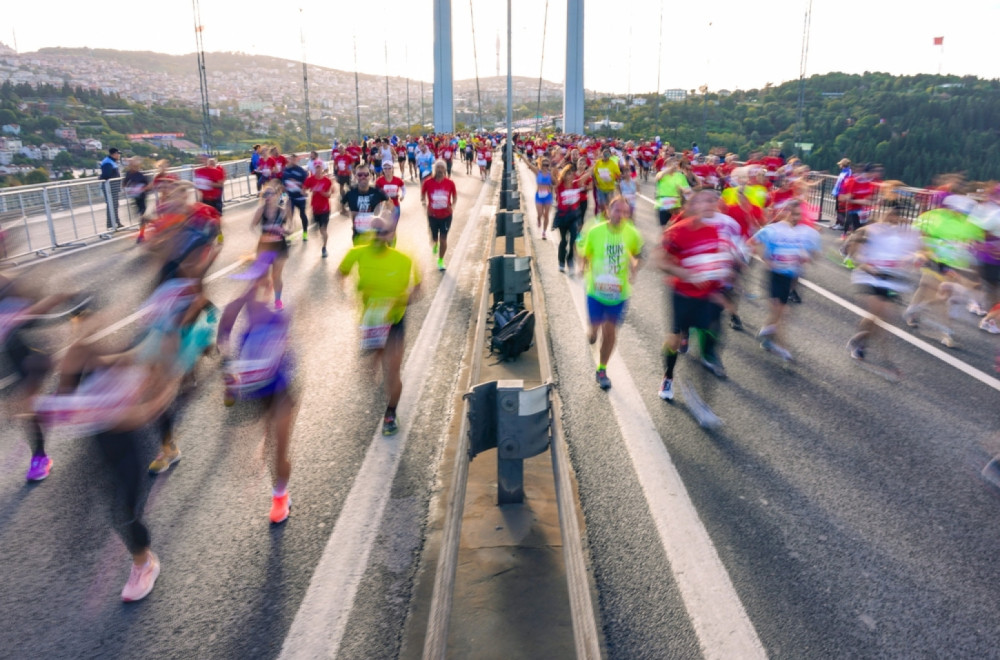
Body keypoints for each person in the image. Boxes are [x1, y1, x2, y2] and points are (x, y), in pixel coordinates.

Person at [217, 253, 296, 523]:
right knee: (267, 441)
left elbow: (290, 356)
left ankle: (280, 496)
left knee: (279, 445)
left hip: (280, 388)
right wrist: (229, 377)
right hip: (254, 391)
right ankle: (276, 478)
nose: (255, 286)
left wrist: (282, 350)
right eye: (251, 280)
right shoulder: (234, 311)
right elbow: (223, 345)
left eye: (260, 280)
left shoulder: (276, 313)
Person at [337, 217, 422, 436]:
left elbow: (419, 286)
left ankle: (391, 414)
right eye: (373, 231)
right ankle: (374, 357)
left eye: (382, 232)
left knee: (391, 372)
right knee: (372, 363)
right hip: (371, 320)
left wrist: (406, 299)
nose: (377, 236)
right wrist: (342, 292)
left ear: (391, 234)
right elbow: (341, 272)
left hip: (394, 320)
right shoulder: (356, 252)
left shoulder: (404, 259)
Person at [658, 191, 740, 401]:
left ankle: (704, 393)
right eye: (705, 201)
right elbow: (659, 262)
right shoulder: (677, 230)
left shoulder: (714, 231)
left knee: (712, 332)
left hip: (705, 295)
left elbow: (714, 264)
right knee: (674, 340)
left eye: (714, 201)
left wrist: (720, 288)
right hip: (682, 294)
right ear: (693, 205)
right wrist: (685, 273)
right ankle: (668, 376)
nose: (711, 205)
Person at [578, 195, 645, 390]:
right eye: (618, 210)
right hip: (596, 290)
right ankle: (591, 330)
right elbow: (586, 252)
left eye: (626, 212)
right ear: (608, 210)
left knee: (610, 330)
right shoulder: (595, 231)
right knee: (596, 326)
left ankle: (602, 368)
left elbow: (638, 254)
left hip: (619, 293)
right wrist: (583, 265)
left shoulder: (632, 233)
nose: (621, 215)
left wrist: (634, 266)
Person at [845, 205, 923, 367]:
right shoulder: (869, 231)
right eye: (888, 216)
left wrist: (913, 258)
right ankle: (867, 348)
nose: (890, 220)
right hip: (869, 278)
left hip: (890, 280)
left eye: (894, 217)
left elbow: (914, 251)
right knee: (879, 314)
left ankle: (860, 339)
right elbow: (853, 253)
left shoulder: (901, 235)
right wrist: (868, 267)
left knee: (882, 317)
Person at [750, 199, 821, 361]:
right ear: (786, 212)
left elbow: (814, 253)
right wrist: (766, 259)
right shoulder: (774, 229)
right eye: (793, 214)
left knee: (778, 312)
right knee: (782, 312)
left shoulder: (804, 231)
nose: (796, 217)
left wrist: (808, 257)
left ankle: (766, 333)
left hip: (792, 277)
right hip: (775, 275)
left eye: (799, 215)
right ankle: (783, 347)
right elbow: (753, 242)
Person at [252, 180, 293, 310]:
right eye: (265, 195)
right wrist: (262, 236)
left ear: (276, 195)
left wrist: (286, 231)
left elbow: (291, 227)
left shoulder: (282, 211)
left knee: (276, 275)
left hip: (279, 247)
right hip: (264, 247)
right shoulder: (261, 210)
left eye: (270, 194)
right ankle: (268, 288)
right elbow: (252, 226)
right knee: (263, 277)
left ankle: (278, 300)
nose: (268, 197)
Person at [420, 159, 458, 271]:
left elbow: (455, 197)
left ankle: (441, 260)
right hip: (433, 215)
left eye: (442, 168)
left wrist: (453, 206)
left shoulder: (450, 183)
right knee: (434, 238)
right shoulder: (428, 182)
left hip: (446, 215)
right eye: (438, 167)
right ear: (434, 169)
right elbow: (422, 195)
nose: (440, 170)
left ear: (445, 170)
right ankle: (435, 243)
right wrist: (423, 203)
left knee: (443, 238)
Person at [341, 163, 390, 244]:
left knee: (375, 256)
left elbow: (389, 203)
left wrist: (384, 213)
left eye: (366, 174)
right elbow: (342, 206)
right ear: (355, 176)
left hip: (375, 235)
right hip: (358, 234)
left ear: (370, 176)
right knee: (359, 256)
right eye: (360, 175)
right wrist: (350, 214)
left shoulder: (377, 191)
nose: (363, 177)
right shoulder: (350, 193)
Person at [193, 155, 226, 243]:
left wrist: (209, 184)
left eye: (204, 159)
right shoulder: (197, 171)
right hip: (204, 199)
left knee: (216, 218)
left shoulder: (215, 171)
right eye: (200, 159)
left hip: (214, 199)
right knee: (204, 219)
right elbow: (197, 184)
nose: (202, 161)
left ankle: (219, 235)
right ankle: (206, 239)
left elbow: (220, 185)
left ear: (208, 161)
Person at [305, 165, 334, 258]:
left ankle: (324, 248)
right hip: (315, 208)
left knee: (323, 229)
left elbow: (330, 194)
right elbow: (303, 190)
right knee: (317, 230)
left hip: (325, 209)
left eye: (319, 169)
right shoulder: (310, 180)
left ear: (322, 170)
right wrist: (308, 191)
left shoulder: (327, 181)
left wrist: (322, 192)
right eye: (316, 169)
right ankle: (320, 235)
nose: (317, 171)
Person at [524, 156, 555, 240]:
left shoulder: (550, 174)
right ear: (541, 165)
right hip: (539, 196)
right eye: (544, 165)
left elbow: (555, 182)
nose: (545, 167)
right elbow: (528, 164)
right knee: (540, 214)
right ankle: (538, 219)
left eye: (547, 165)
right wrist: (520, 154)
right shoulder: (538, 172)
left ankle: (544, 232)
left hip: (548, 196)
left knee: (546, 215)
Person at [281, 153, 310, 241]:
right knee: (288, 216)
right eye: (291, 159)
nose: (293, 161)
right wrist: (283, 195)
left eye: (295, 159)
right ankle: (290, 233)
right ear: (289, 160)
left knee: (302, 215)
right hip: (291, 198)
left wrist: (304, 190)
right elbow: (283, 185)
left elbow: (307, 183)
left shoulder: (301, 171)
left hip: (300, 198)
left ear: (297, 160)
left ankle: (305, 233)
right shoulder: (285, 171)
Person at [123, 157, 151, 243]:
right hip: (134, 199)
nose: (133, 167)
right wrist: (127, 189)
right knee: (141, 217)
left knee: (142, 217)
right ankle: (152, 222)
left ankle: (141, 235)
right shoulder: (128, 174)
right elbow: (124, 183)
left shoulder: (141, 175)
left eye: (135, 166)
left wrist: (141, 189)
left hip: (142, 198)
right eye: (131, 165)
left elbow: (149, 186)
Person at [375, 161, 406, 226]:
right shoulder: (379, 181)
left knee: (394, 225)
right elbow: (376, 192)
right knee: (385, 225)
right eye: (385, 168)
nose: (387, 170)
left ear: (392, 169)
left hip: (395, 204)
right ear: (383, 169)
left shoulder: (398, 180)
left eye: (389, 168)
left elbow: (403, 188)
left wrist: (402, 196)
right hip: (384, 206)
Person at [591, 148, 621, 216]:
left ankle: (608, 217)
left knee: (609, 204)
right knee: (601, 204)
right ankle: (604, 216)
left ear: (610, 155)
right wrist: (595, 181)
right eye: (604, 153)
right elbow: (593, 173)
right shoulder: (598, 163)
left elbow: (618, 175)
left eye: (607, 154)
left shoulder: (613, 164)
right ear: (602, 154)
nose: (606, 155)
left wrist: (612, 177)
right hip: (600, 188)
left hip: (610, 188)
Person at [99, 147, 123, 230]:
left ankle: (116, 222)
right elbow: (106, 175)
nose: (119, 155)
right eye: (118, 154)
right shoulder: (108, 162)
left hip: (113, 187)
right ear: (114, 154)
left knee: (115, 205)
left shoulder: (112, 161)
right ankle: (111, 224)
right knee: (111, 205)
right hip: (110, 188)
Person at [831, 158, 852, 230]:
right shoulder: (843, 172)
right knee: (837, 209)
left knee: (841, 210)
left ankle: (841, 224)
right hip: (838, 192)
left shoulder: (848, 172)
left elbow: (847, 183)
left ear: (843, 164)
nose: (840, 165)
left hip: (842, 193)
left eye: (840, 164)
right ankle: (838, 223)